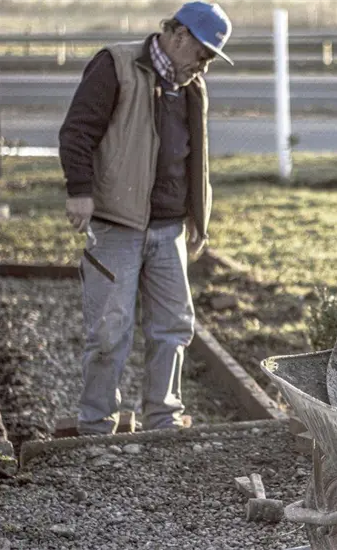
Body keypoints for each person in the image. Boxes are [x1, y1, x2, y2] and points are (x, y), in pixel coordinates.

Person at [58, 1, 233, 435]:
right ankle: (96, 425)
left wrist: (198, 216)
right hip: (117, 224)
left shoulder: (191, 85)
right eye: (204, 53)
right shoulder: (114, 65)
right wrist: (80, 191)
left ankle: (163, 421)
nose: (205, 65)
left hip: (169, 228)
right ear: (178, 36)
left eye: (211, 58)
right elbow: (76, 132)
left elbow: (196, 157)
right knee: (109, 333)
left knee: (173, 327)